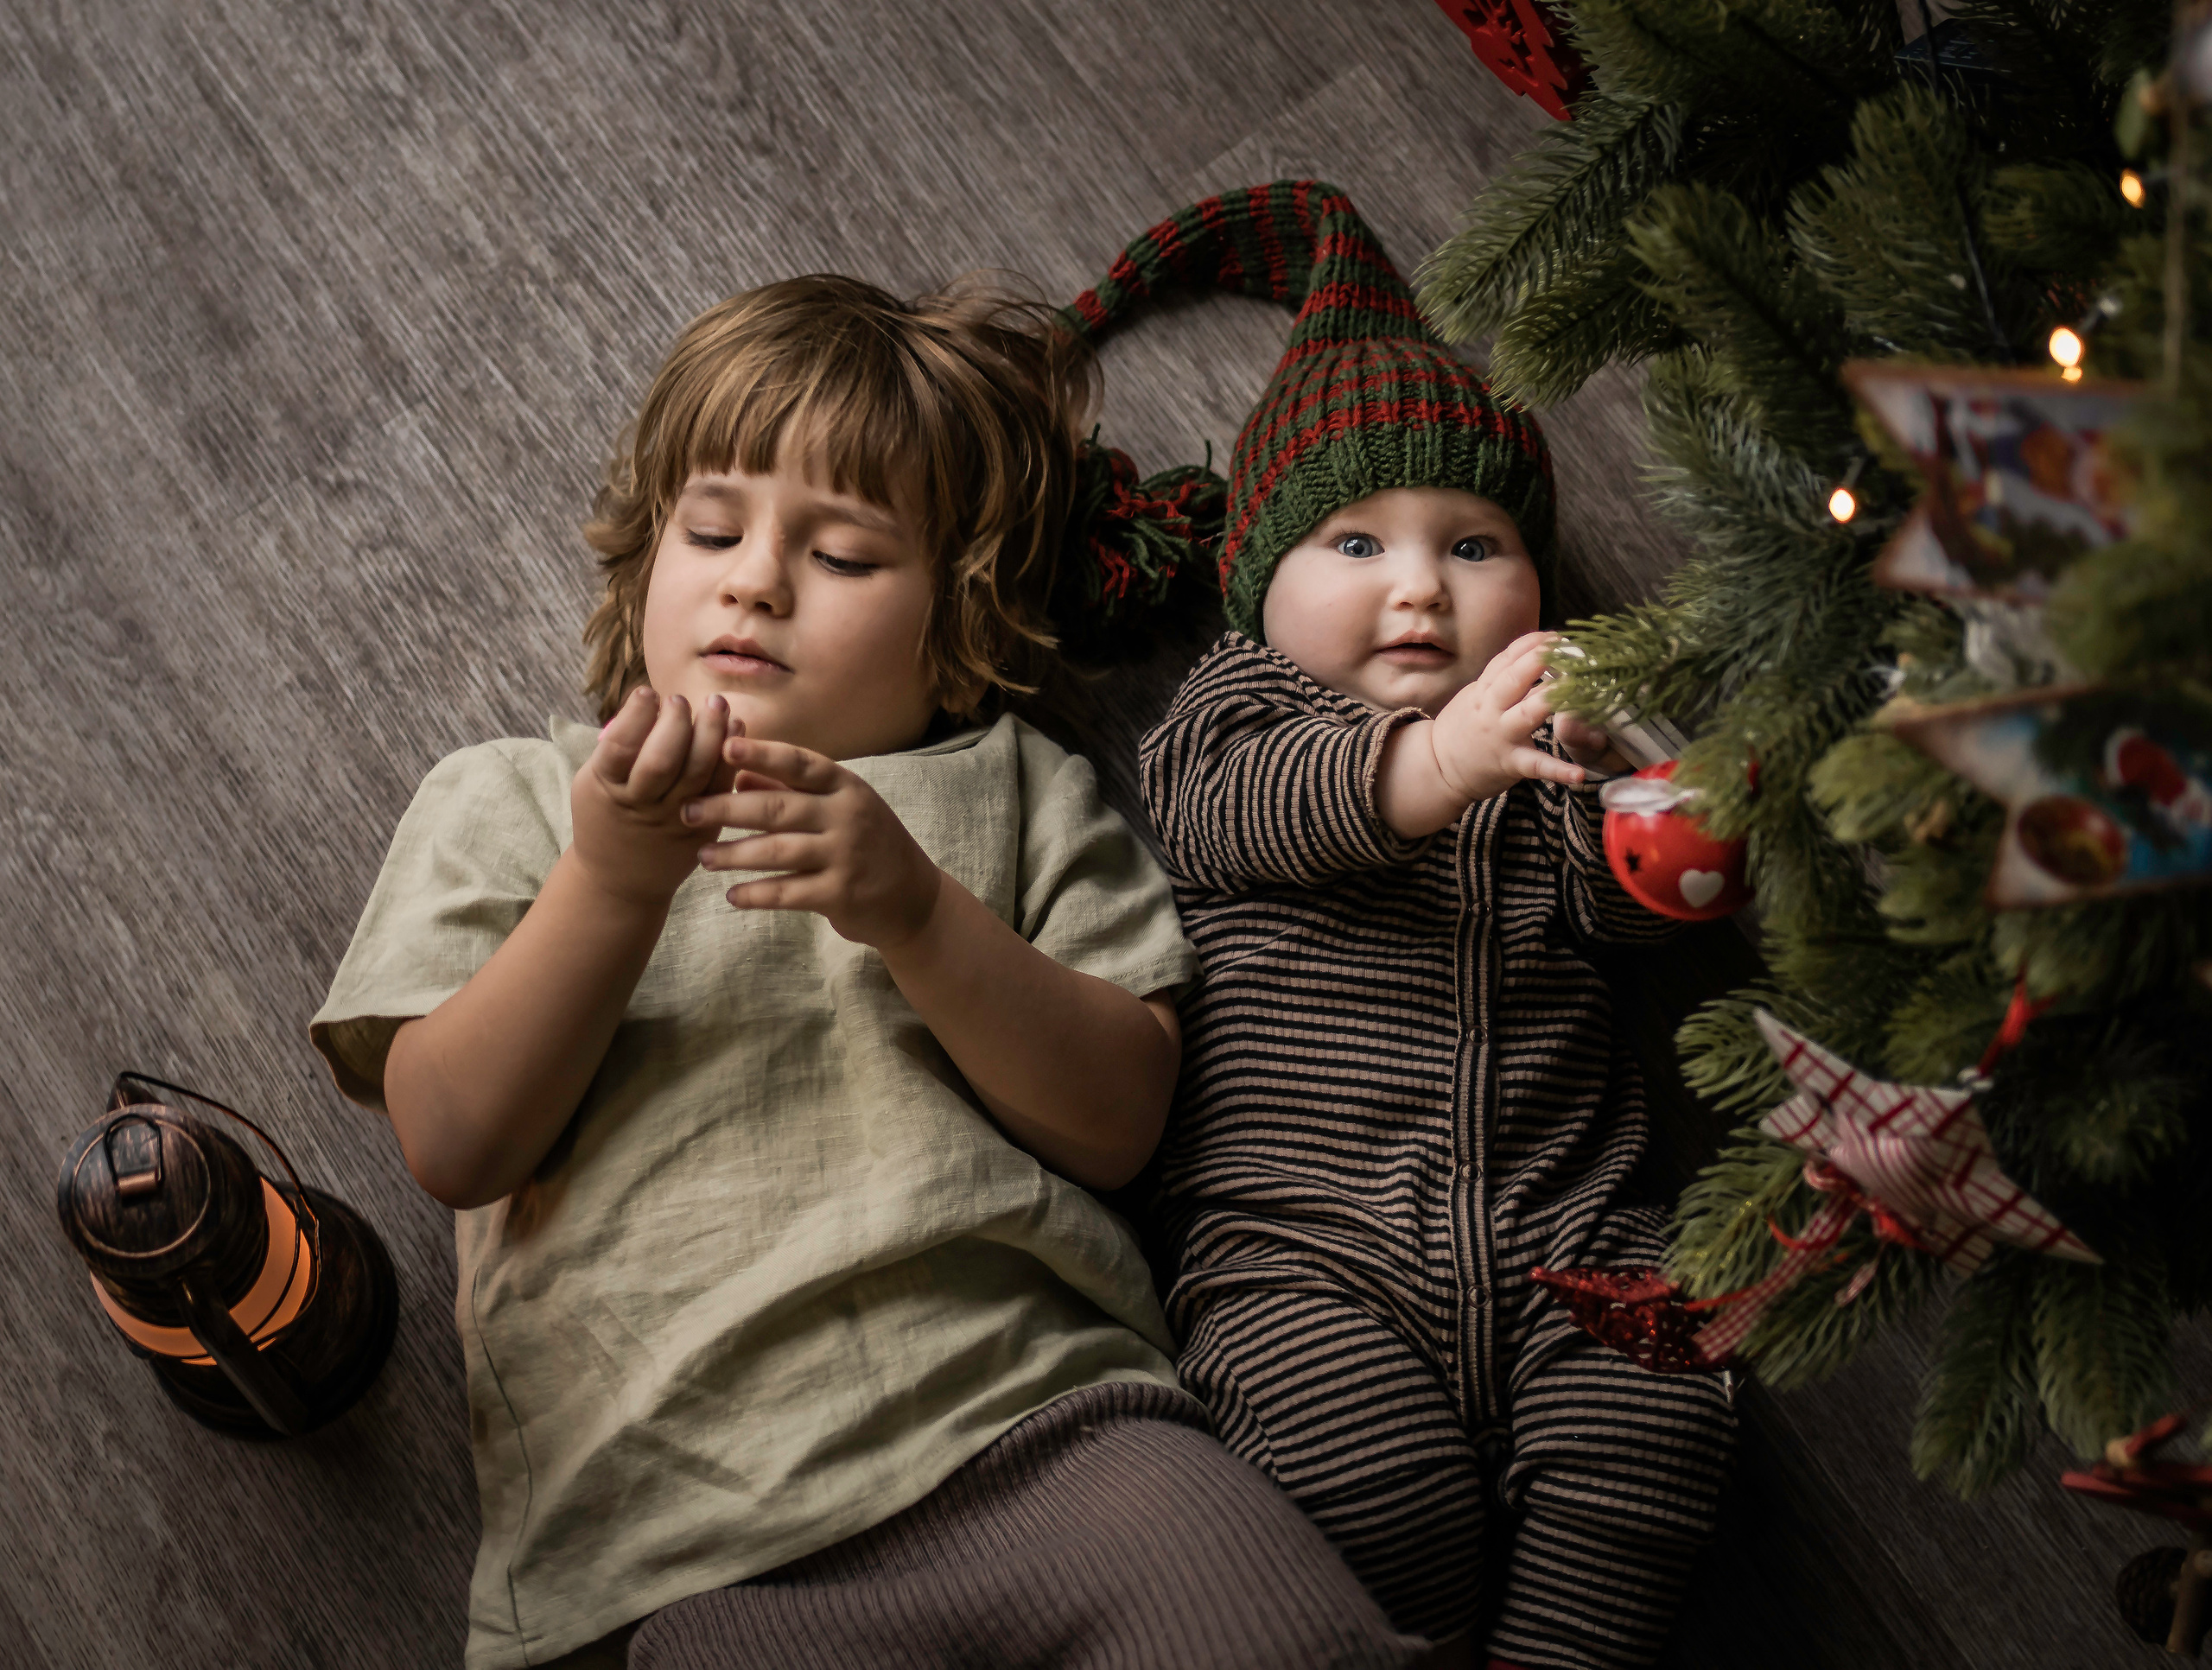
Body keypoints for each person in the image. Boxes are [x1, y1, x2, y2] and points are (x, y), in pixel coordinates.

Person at [311, 273, 1417, 1670]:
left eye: (841, 558)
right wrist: (612, 881)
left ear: (957, 620)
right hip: (683, 1541)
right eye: (711, 527)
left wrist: (916, 910)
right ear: (647, 553)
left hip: (1047, 1428)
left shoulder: (1018, 788)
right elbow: (456, 1139)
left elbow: (1123, 1117)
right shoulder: (520, 801)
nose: (756, 576)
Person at [1064, 183, 1738, 1670]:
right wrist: (1434, 765)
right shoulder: (1242, 712)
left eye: (1476, 543)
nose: (1423, 585)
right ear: (1259, 588)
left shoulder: (1549, 737)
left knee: (1665, 1416)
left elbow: (1617, 925)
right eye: (1355, 545)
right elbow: (1243, 821)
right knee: (1365, 1480)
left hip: (1573, 1232)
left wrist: (1665, 826)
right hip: (1305, 1250)